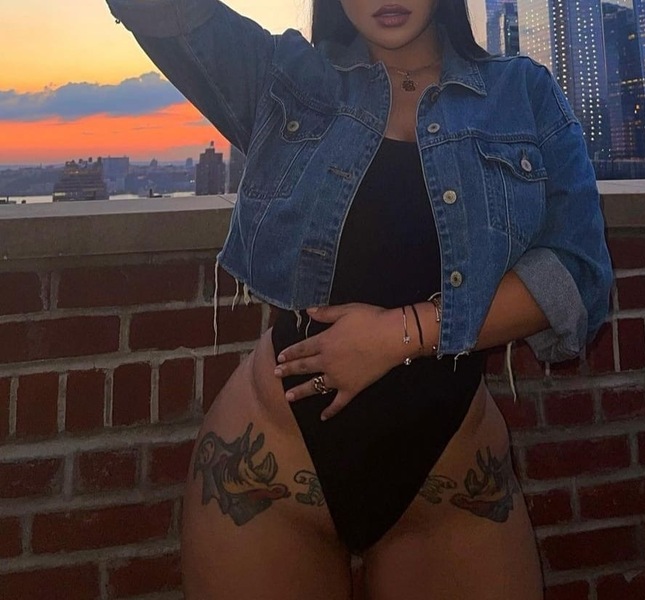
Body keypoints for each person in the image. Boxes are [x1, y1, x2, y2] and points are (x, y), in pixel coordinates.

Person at [107, 0, 612, 598]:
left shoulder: (521, 93)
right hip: (269, 474)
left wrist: (397, 335)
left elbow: (578, 275)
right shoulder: (287, 77)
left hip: (452, 484)